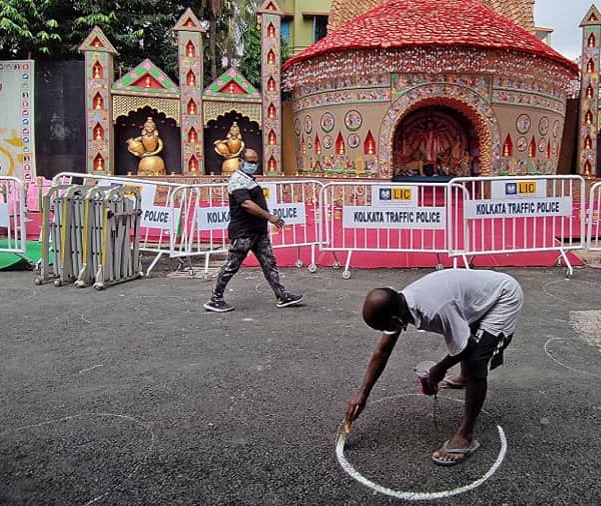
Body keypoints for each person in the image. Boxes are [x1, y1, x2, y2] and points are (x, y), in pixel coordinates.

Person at [345, 269, 524, 466]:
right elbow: (383, 350)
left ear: (396, 320)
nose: (384, 333)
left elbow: (467, 345)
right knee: (464, 335)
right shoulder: (399, 303)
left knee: (476, 362)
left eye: (382, 328)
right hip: (474, 298)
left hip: (503, 297)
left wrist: (437, 371)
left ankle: (466, 436)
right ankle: (463, 377)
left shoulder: (434, 310)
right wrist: (362, 393)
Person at [203, 148, 304, 312]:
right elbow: (246, 204)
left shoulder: (248, 179)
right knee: (232, 265)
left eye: (255, 161)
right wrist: (269, 216)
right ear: (241, 161)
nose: (253, 164)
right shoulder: (237, 180)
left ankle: (282, 295)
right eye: (249, 161)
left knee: (269, 263)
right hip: (244, 231)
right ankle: (215, 298)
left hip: (258, 231)